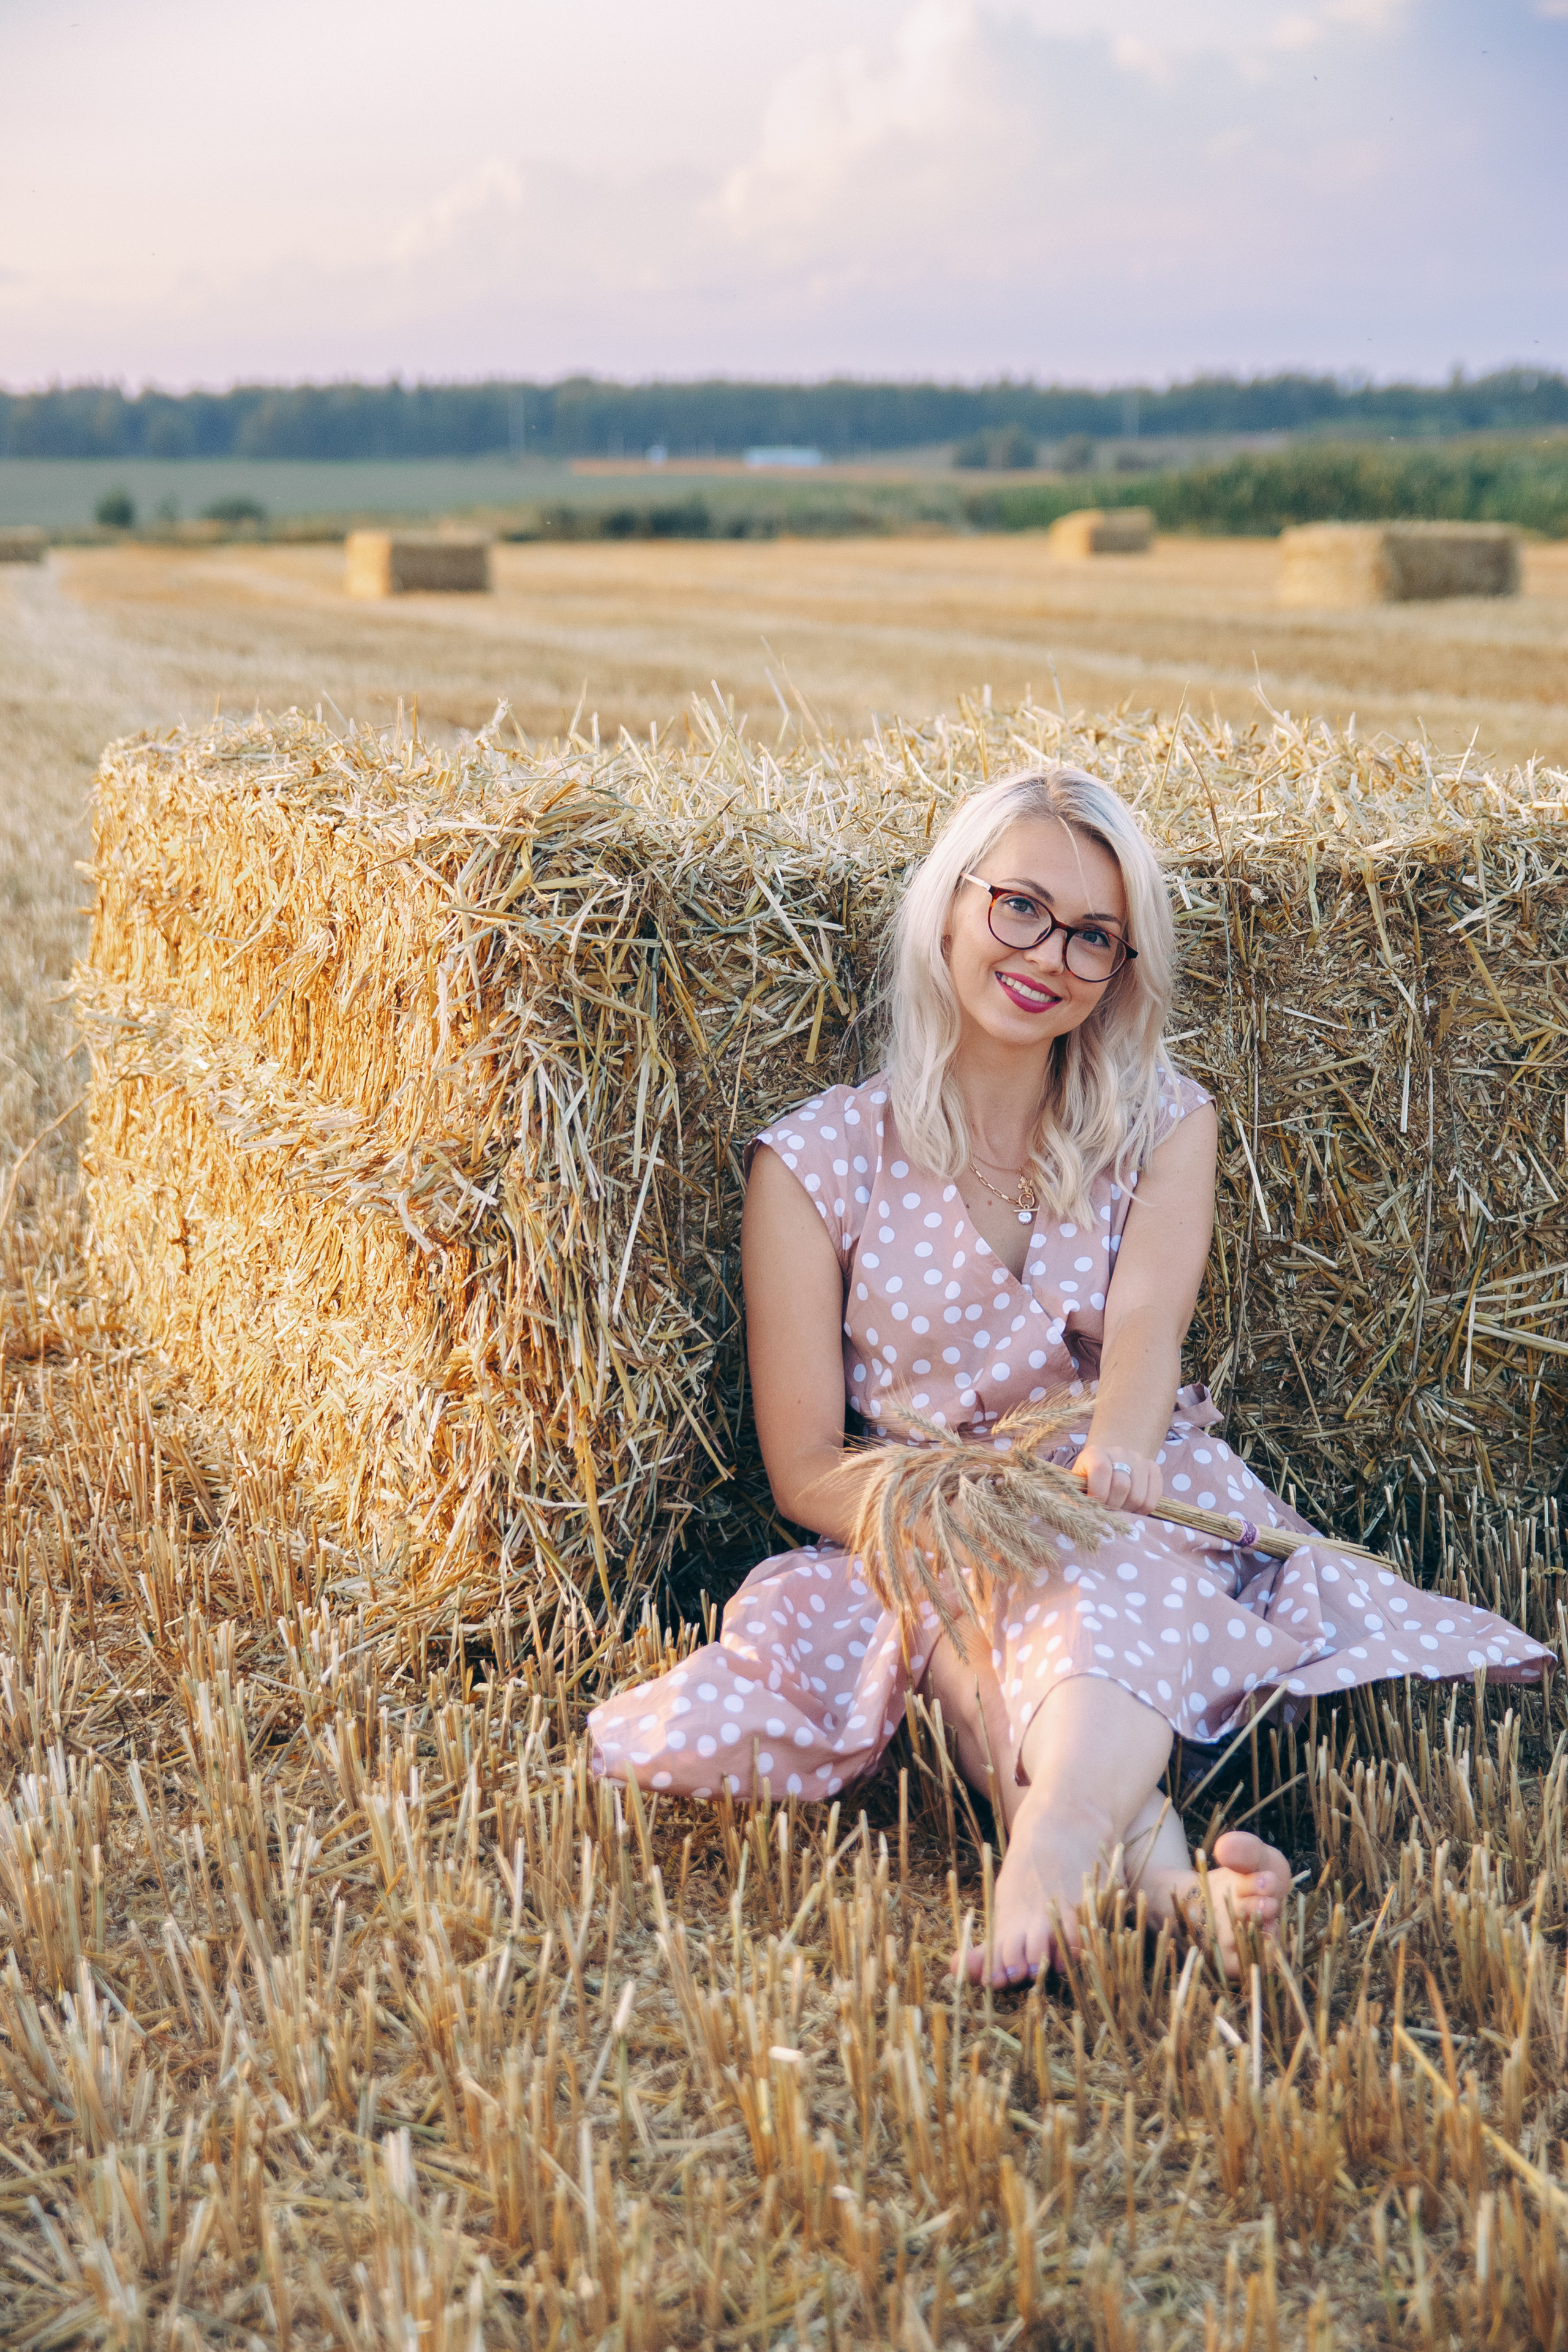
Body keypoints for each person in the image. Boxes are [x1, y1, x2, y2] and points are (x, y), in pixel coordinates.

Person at [588, 767, 1552, 1985]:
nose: (1048, 953)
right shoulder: (814, 1161)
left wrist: (1117, 1464)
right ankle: (1166, 1887)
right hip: (922, 1512)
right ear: (947, 905)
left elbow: (1144, 1336)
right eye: (1019, 908)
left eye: (1092, 935)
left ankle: (1044, 1859)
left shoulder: (1158, 1123)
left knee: (1096, 1583)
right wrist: (962, 1517)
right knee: (982, 1626)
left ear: (1120, 968)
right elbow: (804, 1466)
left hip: (1112, 1478)